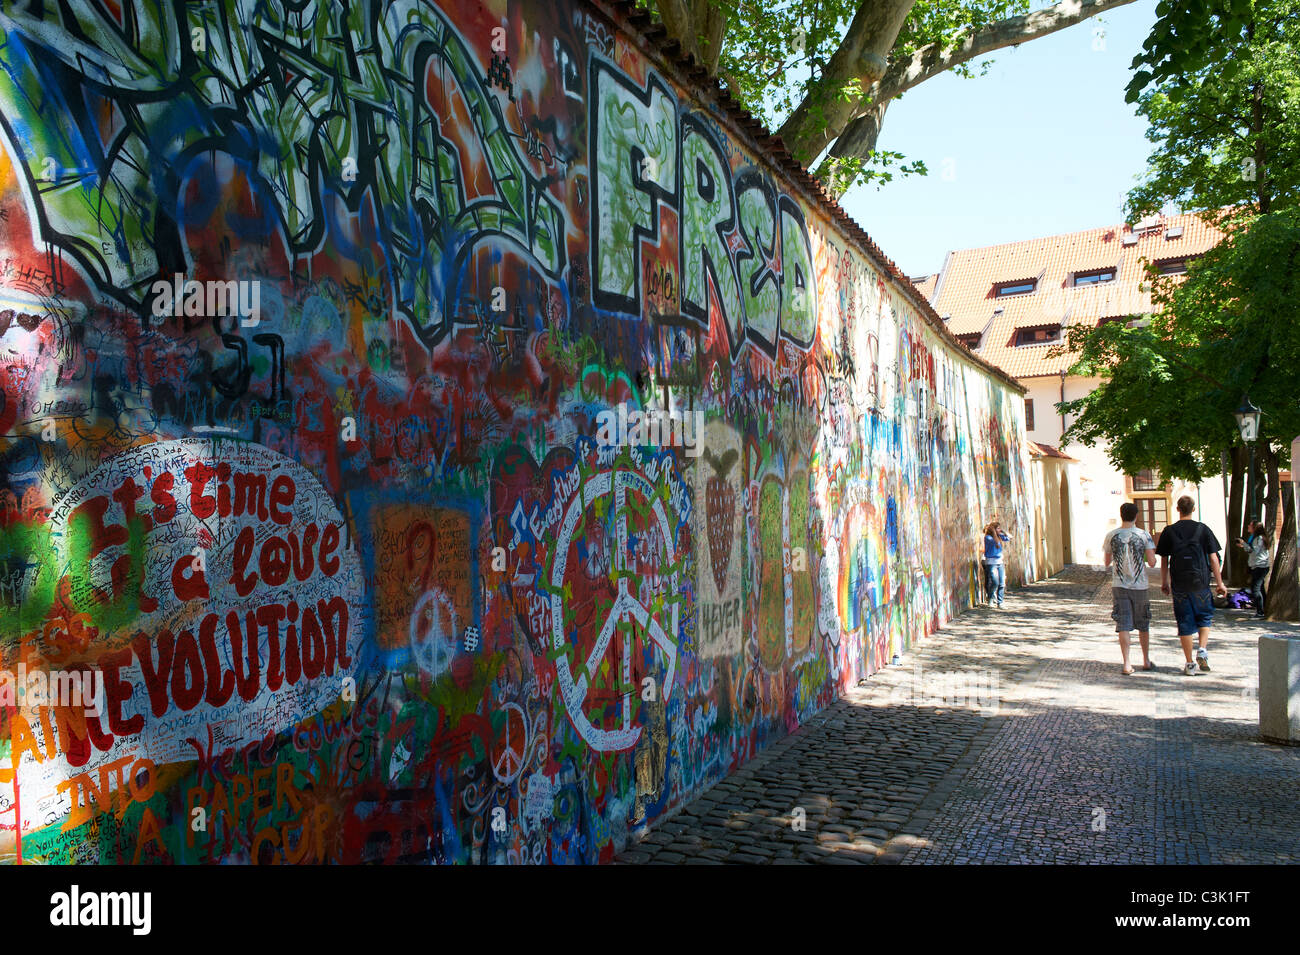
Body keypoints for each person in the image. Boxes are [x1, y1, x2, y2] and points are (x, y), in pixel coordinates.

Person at [1156, 496, 1228, 676]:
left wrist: (1164, 582)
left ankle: (1189, 664)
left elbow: (1164, 560)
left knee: (1185, 622)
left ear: (1178, 509)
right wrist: (1220, 583)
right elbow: (1213, 559)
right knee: (1204, 616)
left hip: (1180, 584)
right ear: (1194, 509)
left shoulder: (1169, 531)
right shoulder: (1203, 530)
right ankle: (1202, 649)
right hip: (1201, 582)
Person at [1102, 502, 1157, 674]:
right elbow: (1153, 561)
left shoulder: (1111, 535)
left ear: (1121, 515)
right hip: (1140, 585)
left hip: (1119, 584)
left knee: (1123, 623)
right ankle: (1146, 660)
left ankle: (1126, 663)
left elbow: (1106, 562)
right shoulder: (1144, 535)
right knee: (1143, 623)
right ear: (1136, 516)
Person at [1235, 520, 1271, 619]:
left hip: (1260, 566)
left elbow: (1253, 551)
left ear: (1255, 527)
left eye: (1250, 525)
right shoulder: (1254, 537)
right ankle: (1263, 609)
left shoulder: (1259, 538)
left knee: (1255, 589)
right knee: (1260, 588)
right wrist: (1243, 545)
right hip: (1256, 565)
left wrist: (1244, 543)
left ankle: (1260, 612)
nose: (1248, 526)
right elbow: (1251, 550)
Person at [982, 521, 1011, 608]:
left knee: (1002, 583)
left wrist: (1003, 533)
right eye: (998, 528)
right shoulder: (988, 538)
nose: (999, 530)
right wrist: (999, 535)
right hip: (991, 563)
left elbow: (1008, 538)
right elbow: (994, 542)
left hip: (1000, 562)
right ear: (993, 529)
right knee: (995, 582)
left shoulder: (999, 537)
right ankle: (990, 598)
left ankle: (1000, 602)